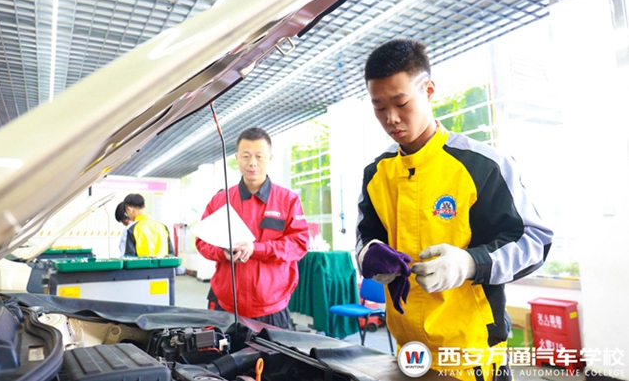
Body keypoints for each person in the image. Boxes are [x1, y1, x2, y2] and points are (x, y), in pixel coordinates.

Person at [355, 39, 553, 381]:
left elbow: (534, 241)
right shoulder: (377, 174)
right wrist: (368, 255)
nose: (391, 118)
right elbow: (365, 238)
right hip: (407, 350)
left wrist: (469, 264)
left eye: (401, 103)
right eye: (379, 107)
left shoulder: (482, 166)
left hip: (470, 354)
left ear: (428, 90)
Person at [195, 127, 308, 329]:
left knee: (273, 351)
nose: (252, 162)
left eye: (259, 156)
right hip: (227, 306)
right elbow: (202, 242)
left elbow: (298, 244)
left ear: (270, 158)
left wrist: (256, 249)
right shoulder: (220, 201)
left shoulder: (288, 200)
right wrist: (223, 253)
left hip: (271, 307)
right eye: (246, 156)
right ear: (237, 158)